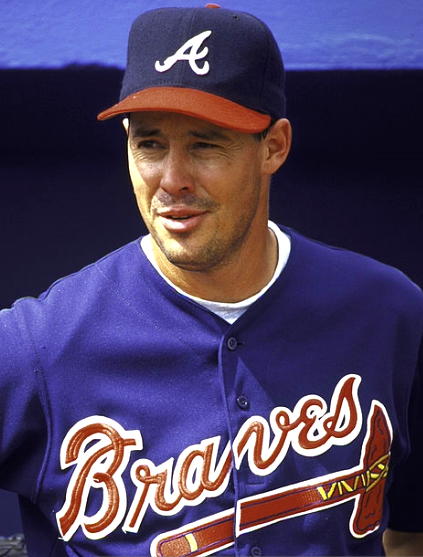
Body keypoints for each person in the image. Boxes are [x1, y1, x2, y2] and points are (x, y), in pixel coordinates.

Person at [1, 5, 422, 557]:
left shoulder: (388, 314)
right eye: (150, 144)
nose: (172, 179)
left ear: (274, 146)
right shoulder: (39, 345)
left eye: (205, 144)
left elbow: (410, 534)